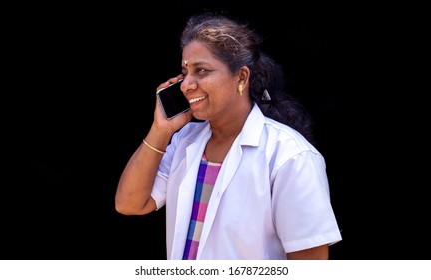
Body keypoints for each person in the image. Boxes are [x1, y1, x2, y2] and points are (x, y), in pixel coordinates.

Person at [115, 12, 342, 260]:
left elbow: (311, 263)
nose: (186, 84)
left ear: (241, 77)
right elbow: (129, 203)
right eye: (185, 71)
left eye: (201, 71)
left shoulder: (289, 156)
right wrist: (160, 130)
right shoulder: (185, 140)